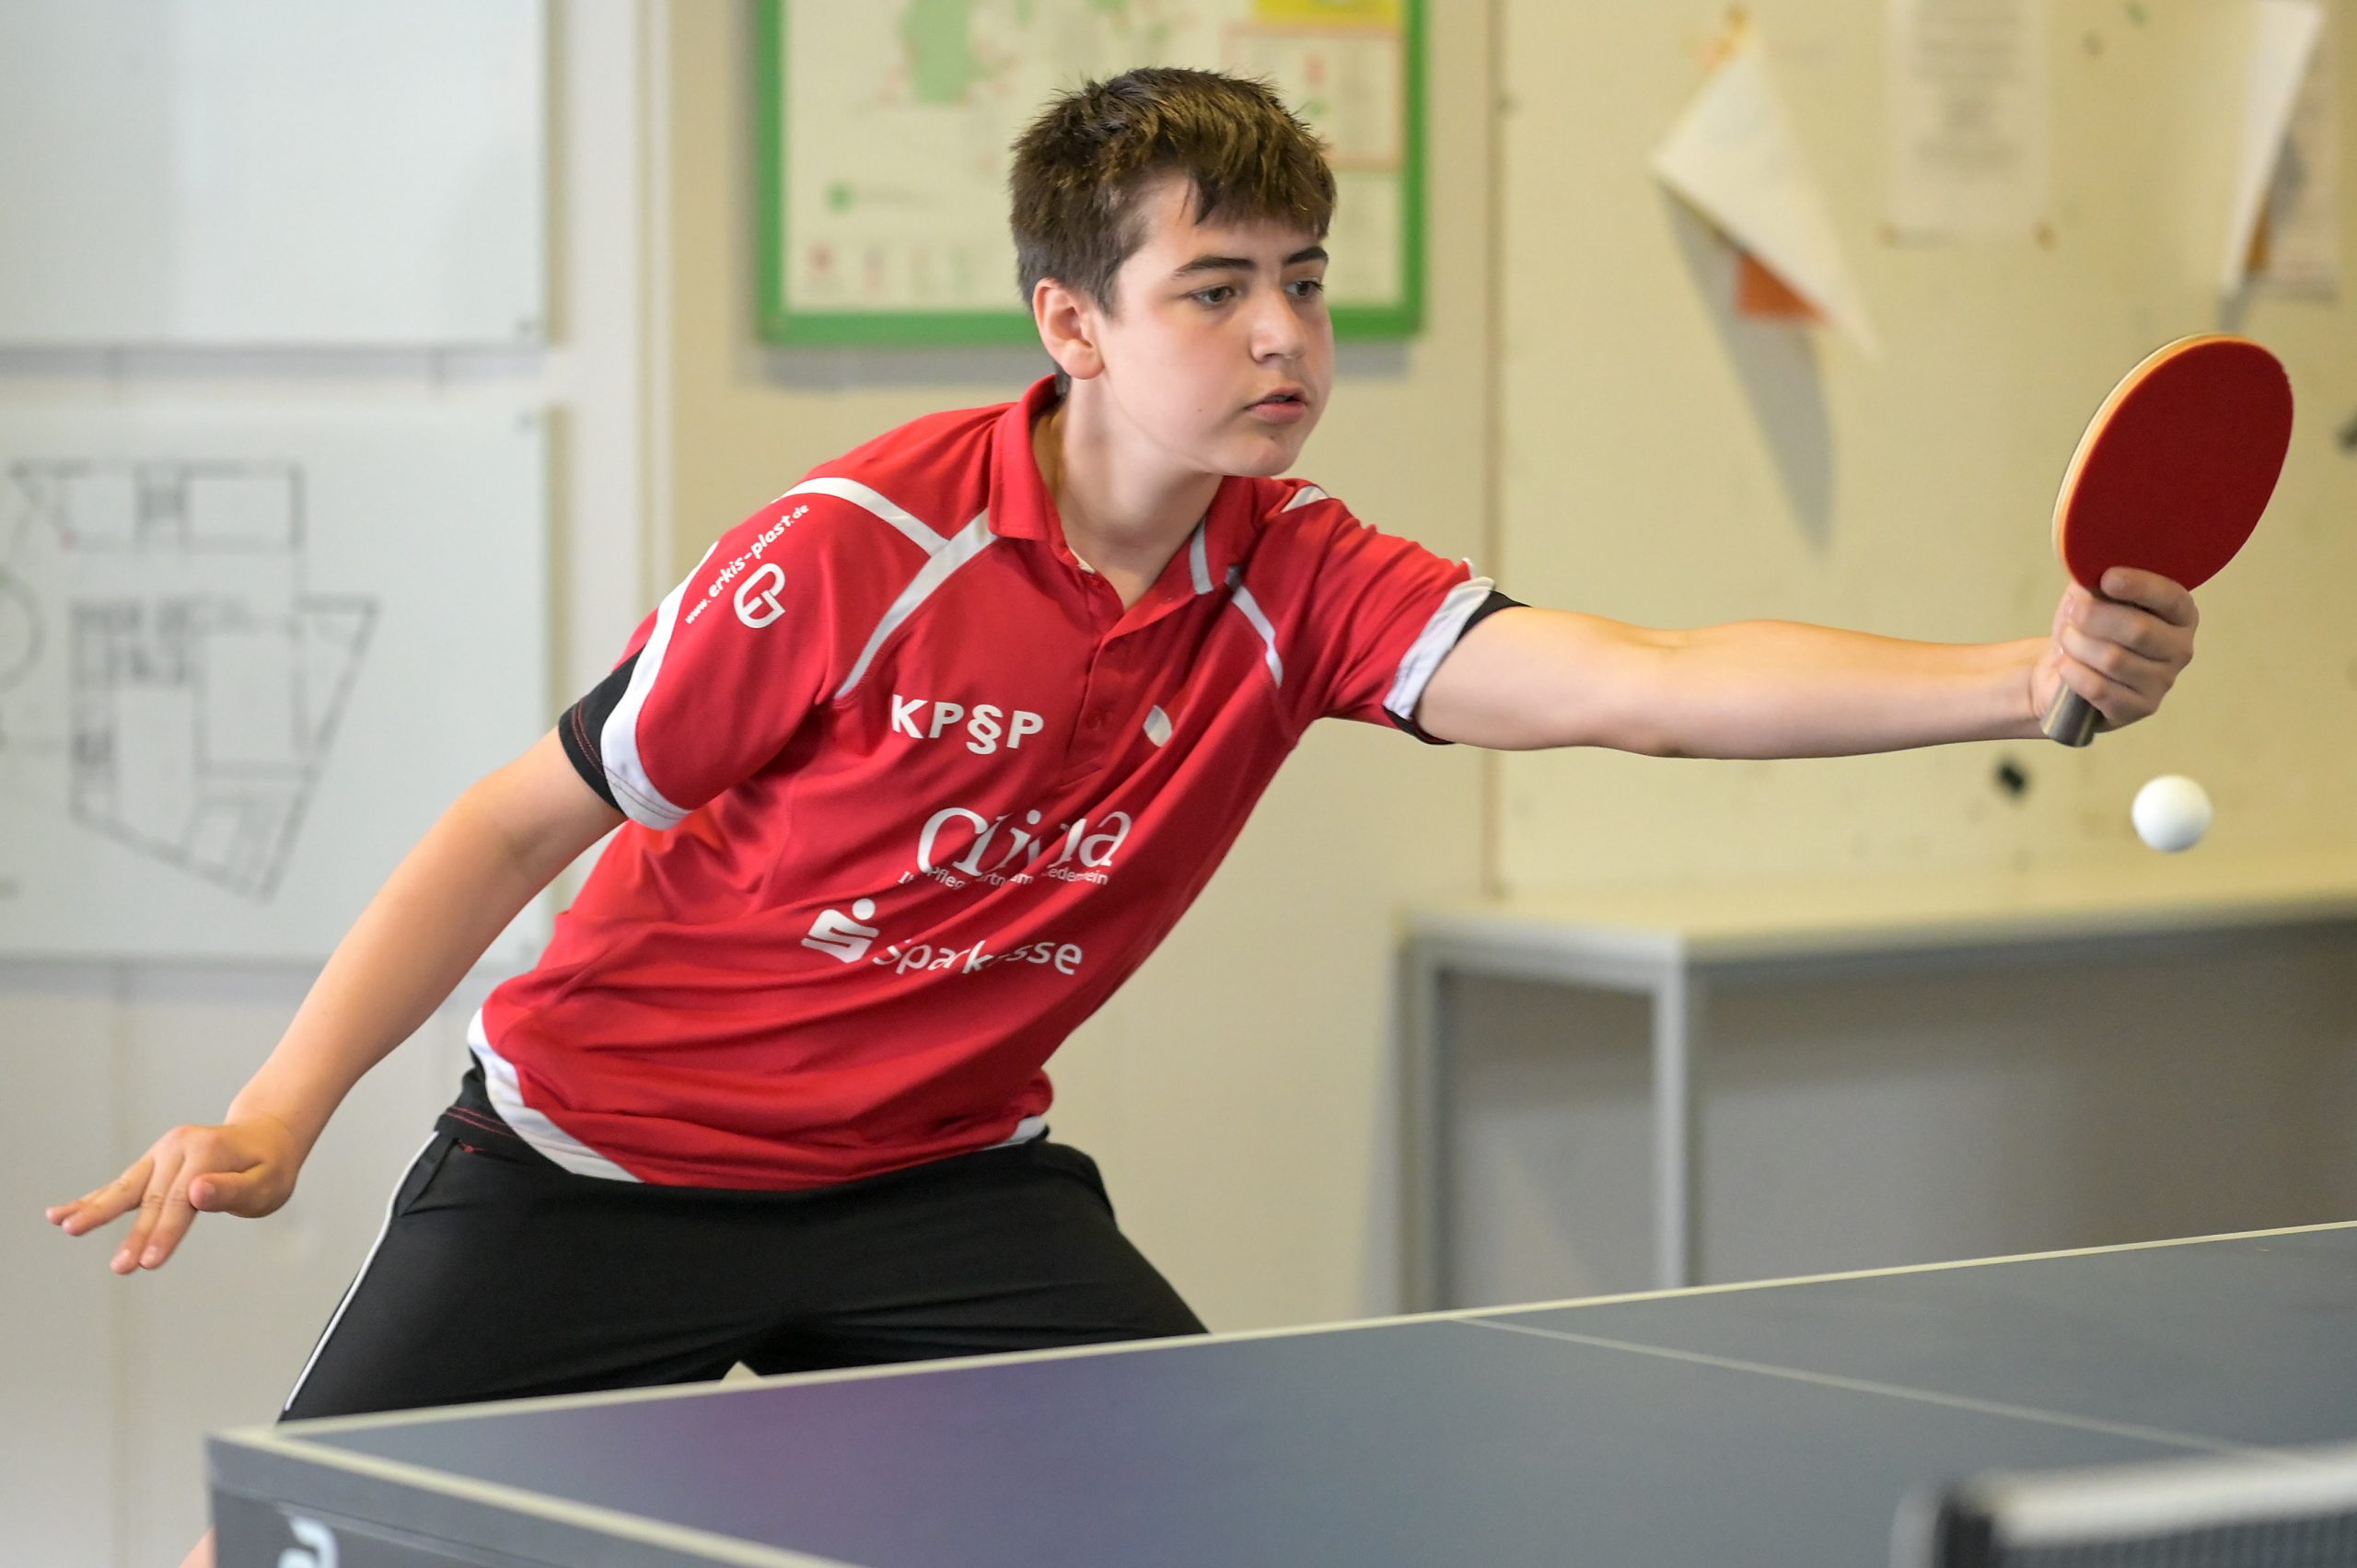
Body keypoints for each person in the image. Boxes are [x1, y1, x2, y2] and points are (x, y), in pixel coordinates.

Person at [47, 68, 2198, 1568]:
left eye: (1304, 280)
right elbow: (514, 824)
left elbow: (1638, 684)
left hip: (936, 1185)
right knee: (282, 1550)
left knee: (1224, 1520)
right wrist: (280, 1112)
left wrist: (2016, 679)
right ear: (1069, 324)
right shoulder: (856, 547)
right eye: (1214, 287)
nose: (1281, 336)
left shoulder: (1300, 582)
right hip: (601, 1163)